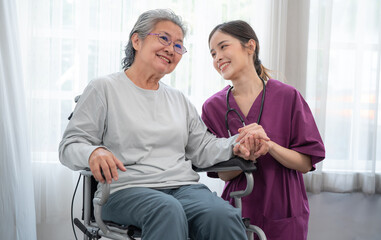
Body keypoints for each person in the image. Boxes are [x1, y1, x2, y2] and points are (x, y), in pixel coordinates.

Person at [59, 9, 267, 240]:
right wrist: (93, 152)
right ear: (136, 40)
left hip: (184, 189)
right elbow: (69, 146)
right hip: (126, 191)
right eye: (164, 38)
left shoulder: (178, 99)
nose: (171, 49)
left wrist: (236, 144)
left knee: (222, 215)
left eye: (178, 45)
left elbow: (202, 148)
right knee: (167, 210)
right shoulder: (103, 89)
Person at [202, 20, 325, 240]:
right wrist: (242, 154)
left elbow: (305, 163)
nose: (217, 57)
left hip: (284, 206)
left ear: (250, 46)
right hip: (237, 206)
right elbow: (222, 173)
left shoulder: (288, 97)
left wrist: (269, 146)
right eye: (212, 54)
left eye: (223, 47)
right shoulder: (213, 107)